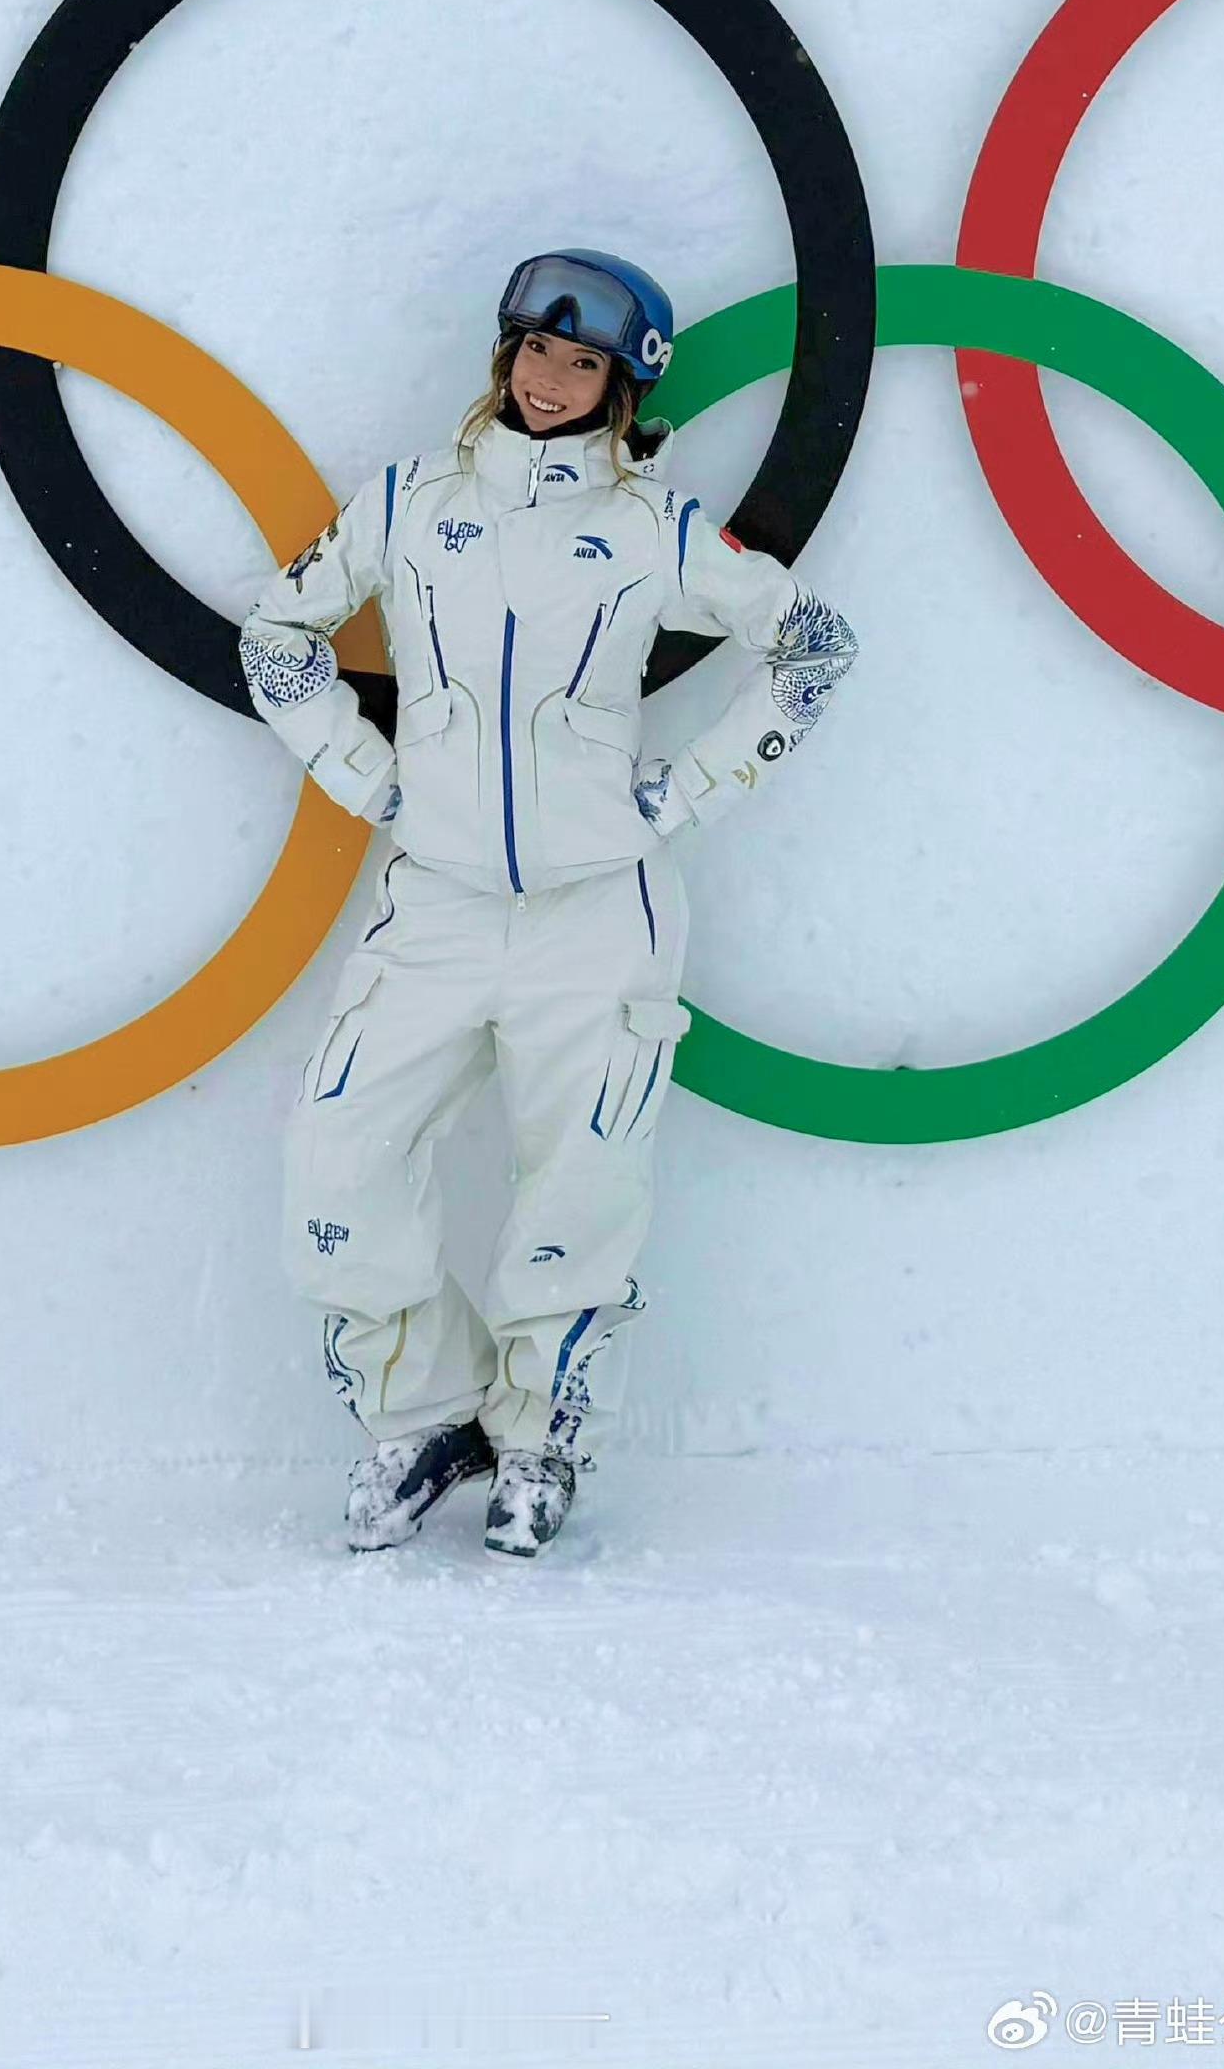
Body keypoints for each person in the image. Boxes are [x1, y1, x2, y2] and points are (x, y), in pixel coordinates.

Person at [238, 249, 857, 1558]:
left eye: (582, 362)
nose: (549, 379)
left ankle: (537, 1438)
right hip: (437, 905)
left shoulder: (656, 529)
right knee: (336, 1163)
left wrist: (678, 798)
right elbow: (278, 638)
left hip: (599, 913)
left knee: (579, 1192)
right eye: (533, 349)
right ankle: (421, 1416)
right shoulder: (408, 504)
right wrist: (373, 781)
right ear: (502, 353)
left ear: (622, 386)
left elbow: (812, 649)